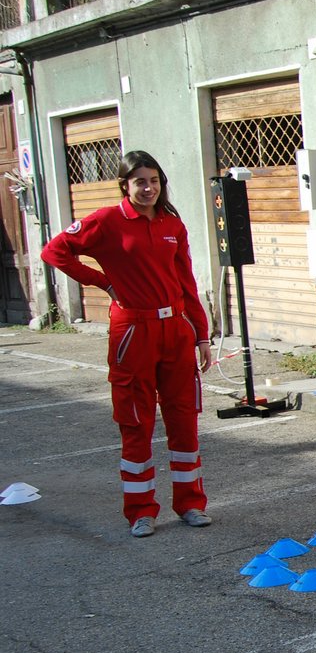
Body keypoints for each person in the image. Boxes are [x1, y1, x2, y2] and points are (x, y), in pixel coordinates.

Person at [41, 151, 213, 537]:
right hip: (133, 331)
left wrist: (201, 335)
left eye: (154, 180)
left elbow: (186, 281)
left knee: (184, 420)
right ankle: (140, 511)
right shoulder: (106, 221)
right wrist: (101, 281)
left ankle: (190, 504)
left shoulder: (172, 224)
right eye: (140, 181)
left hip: (175, 330)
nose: (148, 188)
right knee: (136, 422)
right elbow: (54, 251)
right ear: (125, 185)